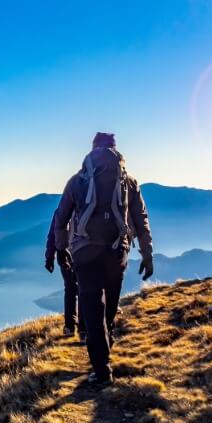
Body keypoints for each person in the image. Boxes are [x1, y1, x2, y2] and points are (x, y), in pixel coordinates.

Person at [54, 132, 153, 386]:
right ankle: (104, 352)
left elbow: (61, 217)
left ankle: (102, 369)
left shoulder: (77, 181)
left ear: (92, 149)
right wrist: (147, 254)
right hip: (116, 251)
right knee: (108, 306)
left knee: (92, 308)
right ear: (116, 150)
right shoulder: (128, 182)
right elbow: (141, 219)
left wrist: (62, 248)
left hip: (85, 252)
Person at [45, 211, 86, 342]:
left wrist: (49, 258)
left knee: (70, 289)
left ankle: (70, 327)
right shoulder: (86, 206)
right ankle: (83, 329)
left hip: (65, 255)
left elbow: (52, 235)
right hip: (83, 254)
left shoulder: (61, 210)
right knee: (82, 289)